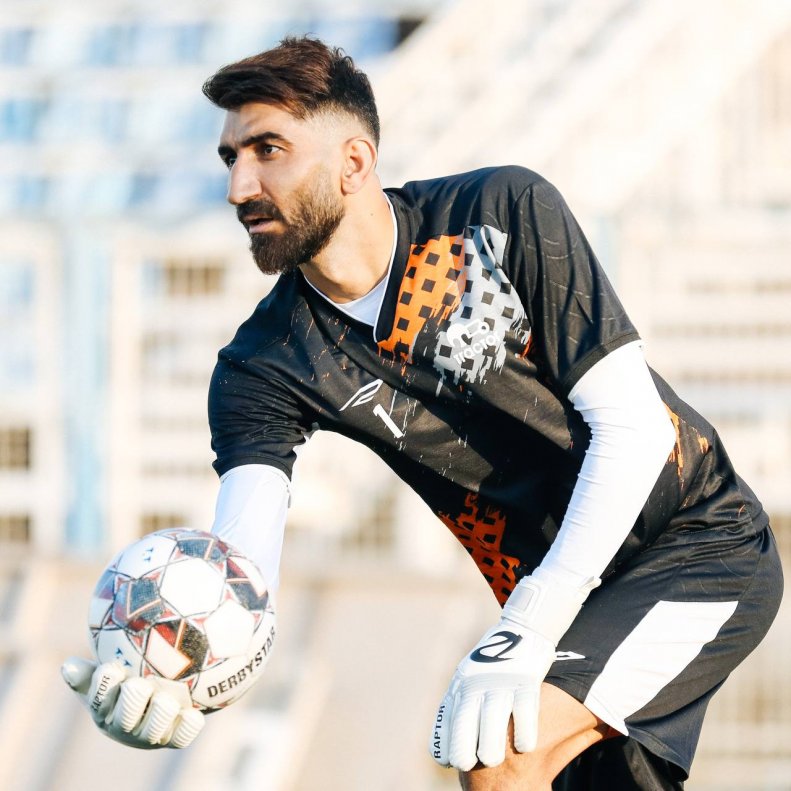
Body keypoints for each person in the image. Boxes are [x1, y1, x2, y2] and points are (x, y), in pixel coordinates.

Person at [62, 36, 783, 790]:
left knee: (497, 756)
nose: (240, 186)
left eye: (268, 150)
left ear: (354, 162)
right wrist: (175, 682)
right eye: (229, 158)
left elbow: (634, 430)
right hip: (560, 603)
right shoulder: (263, 364)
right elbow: (242, 578)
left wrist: (529, 622)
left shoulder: (498, 214)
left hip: (696, 545)